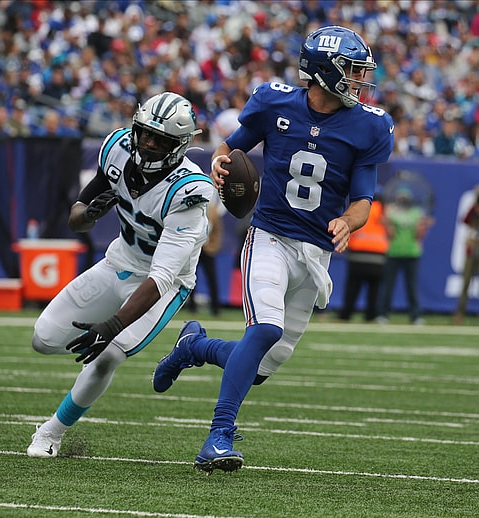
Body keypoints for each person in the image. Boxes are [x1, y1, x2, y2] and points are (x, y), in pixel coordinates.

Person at [152, 25, 394, 473]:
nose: (362, 80)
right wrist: (220, 161)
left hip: (316, 252)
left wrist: (347, 221)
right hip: (269, 237)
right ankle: (218, 436)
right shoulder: (275, 101)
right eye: (354, 70)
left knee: (261, 367)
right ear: (325, 71)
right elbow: (230, 147)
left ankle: (194, 347)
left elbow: (363, 199)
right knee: (264, 331)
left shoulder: (369, 125)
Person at [26, 92, 214, 458]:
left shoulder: (188, 191)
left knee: (108, 355)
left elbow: (160, 278)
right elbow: (77, 217)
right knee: (43, 340)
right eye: (144, 133)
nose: (148, 143)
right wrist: (89, 214)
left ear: (180, 146)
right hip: (118, 261)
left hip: (163, 283)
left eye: (160, 140)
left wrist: (111, 326)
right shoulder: (116, 147)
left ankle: (51, 432)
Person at [376, 187, 434, 325]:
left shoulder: (416, 213)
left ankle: (415, 315)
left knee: (412, 286)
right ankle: (383, 314)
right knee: (388, 285)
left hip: (412, 253)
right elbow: (390, 235)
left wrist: (424, 227)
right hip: (394, 251)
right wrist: (387, 225)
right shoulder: (391, 212)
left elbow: (418, 236)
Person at [337, 194, 388, 322]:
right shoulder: (383, 211)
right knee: (374, 288)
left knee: (353, 287)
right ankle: (371, 315)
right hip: (377, 254)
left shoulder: (359, 208)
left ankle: (346, 314)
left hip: (357, 253)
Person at [187, 191, 224, 315]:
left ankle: (215, 308)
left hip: (208, 249)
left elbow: (218, 231)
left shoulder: (213, 210)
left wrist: (213, 247)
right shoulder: (194, 208)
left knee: (212, 278)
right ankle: (191, 306)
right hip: (195, 249)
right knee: (190, 278)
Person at [453, 186, 479, 324]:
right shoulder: (474, 209)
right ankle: (460, 313)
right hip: (473, 248)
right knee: (466, 282)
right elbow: (465, 220)